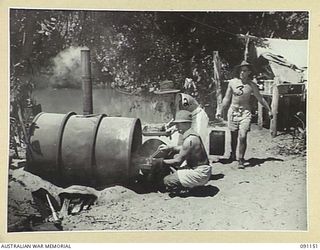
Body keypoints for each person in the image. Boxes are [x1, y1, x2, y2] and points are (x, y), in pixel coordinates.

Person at [215, 60, 273, 168]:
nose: (242, 73)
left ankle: (241, 159)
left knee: (243, 135)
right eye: (241, 71)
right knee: (233, 135)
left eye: (245, 71)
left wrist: (269, 109)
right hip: (233, 112)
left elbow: (260, 98)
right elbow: (226, 99)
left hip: (245, 112)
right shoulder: (232, 83)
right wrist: (219, 110)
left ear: (249, 72)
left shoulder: (251, 85)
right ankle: (233, 154)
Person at [155, 110, 212, 193]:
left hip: (200, 173)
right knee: (173, 157)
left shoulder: (189, 139)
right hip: (201, 168)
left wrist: (159, 161)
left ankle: (191, 188)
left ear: (186, 124)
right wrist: (169, 148)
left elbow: (178, 161)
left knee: (167, 181)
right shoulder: (192, 135)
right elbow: (184, 148)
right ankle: (188, 182)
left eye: (178, 124)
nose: (176, 127)